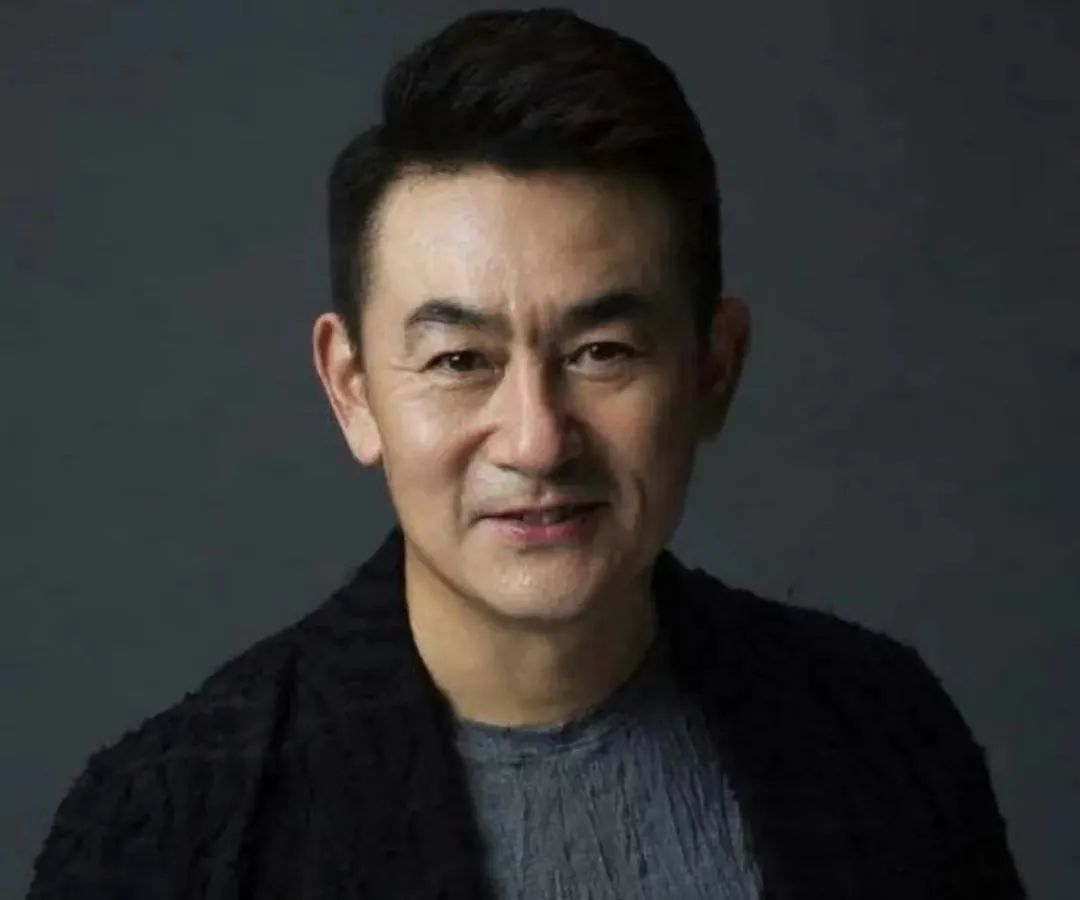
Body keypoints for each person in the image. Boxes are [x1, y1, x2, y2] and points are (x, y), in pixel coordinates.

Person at [28, 7, 1026, 899]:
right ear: (354, 390)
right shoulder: (173, 831)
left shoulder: (881, 733)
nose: (537, 438)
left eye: (602, 352)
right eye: (460, 360)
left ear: (714, 369)